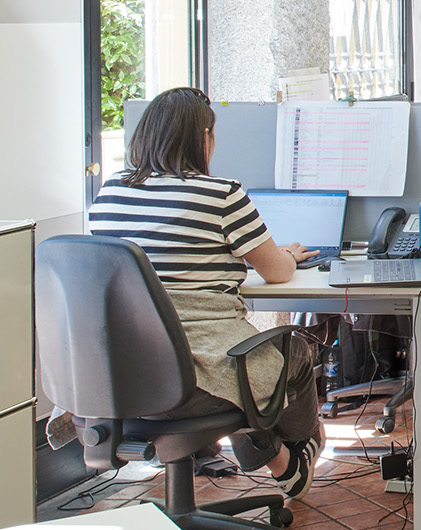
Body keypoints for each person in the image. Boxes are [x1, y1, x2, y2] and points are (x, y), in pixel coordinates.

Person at [84, 86, 324, 493]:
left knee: (245, 367)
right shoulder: (220, 194)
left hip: (118, 372)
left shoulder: (110, 192)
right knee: (291, 353)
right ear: (204, 138)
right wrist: (284, 254)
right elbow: (279, 273)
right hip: (190, 379)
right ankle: (291, 457)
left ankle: (262, 453)